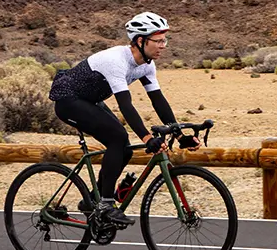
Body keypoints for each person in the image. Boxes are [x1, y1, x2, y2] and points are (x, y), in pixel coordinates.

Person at [49, 12, 200, 226]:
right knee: (118, 137)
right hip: (68, 101)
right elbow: (125, 105)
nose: (163, 45)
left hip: (90, 101)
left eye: (164, 40)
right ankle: (105, 205)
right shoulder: (116, 60)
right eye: (158, 40)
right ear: (140, 40)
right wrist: (147, 138)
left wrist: (179, 133)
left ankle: (93, 199)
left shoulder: (146, 65)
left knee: (126, 149)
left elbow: (158, 100)